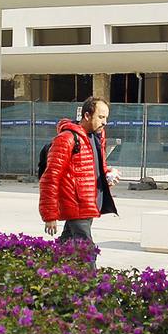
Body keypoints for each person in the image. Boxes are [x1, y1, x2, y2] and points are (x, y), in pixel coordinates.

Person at [39, 96, 119, 246]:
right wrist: (49, 215)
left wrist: (107, 174)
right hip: (76, 205)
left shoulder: (96, 137)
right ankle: (89, 271)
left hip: (89, 204)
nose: (105, 122)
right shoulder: (67, 139)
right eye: (101, 117)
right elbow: (50, 177)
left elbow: (89, 167)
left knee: (66, 247)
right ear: (87, 115)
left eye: (106, 118)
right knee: (87, 251)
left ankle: (48, 268)